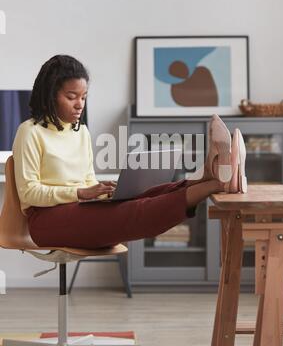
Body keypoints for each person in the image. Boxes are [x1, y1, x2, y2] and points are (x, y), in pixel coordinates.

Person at [12, 55, 247, 249]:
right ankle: (217, 183)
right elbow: (29, 194)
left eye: (83, 97)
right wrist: (81, 193)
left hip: (77, 212)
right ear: (50, 95)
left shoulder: (80, 132)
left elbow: (87, 181)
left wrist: (100, 193)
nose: (79, 104)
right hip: (46, 223)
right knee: (135, 211)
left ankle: (208, 174)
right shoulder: (30, 132)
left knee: (147, 195)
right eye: (71, 97)